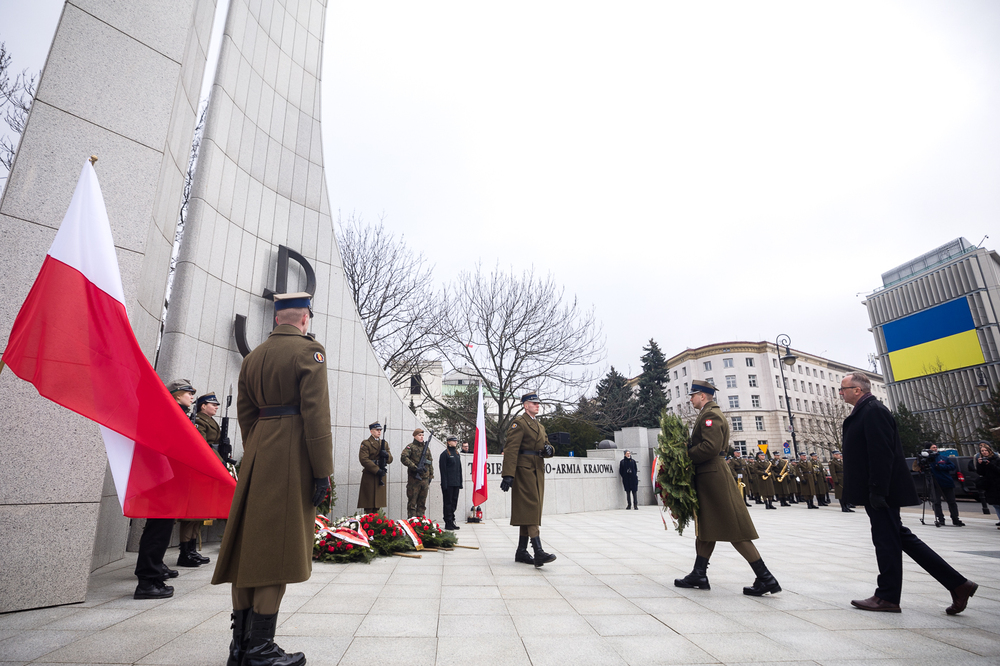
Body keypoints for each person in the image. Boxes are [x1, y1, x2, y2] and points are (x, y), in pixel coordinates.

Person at [211, 292, 333, 666]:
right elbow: (316, 415)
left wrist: (259, 450)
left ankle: (241, 647)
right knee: (275, 552)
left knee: (249, 548)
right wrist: (321, 470)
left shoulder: (254, 357)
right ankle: (261, 650)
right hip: (292, 454)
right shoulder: (309, 352)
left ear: (277, 318)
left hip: (259, 453)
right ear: (304, 319)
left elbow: (247, 415)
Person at [839, 372, 977, 615]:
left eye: (843, 389)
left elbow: (882, 454)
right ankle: (958, 584)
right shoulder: (866, 410)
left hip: (883, 491)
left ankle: (888, 597)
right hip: (879, 489)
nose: (841, 393)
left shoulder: (873, 411)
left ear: (857, 390)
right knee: (899, 538)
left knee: (886, 541)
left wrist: (878, 490)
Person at [674, 380, 780, 596]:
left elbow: (710, 448)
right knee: (707, 527)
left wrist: (685, 455)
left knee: (734, 528)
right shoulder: (708, 414)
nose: (690, 398)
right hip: (709, 476)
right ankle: (699, 573)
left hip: (712, 476)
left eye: (693, 395)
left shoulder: (710, 416)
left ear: (703, 396)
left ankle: (766, 578)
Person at [133, 378, 193, 599]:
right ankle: (147, 581)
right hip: (162, 479)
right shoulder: (169, 413)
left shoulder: (171, 412)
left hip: (163, 478)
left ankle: (154, 570)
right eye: (188, 392)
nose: (192, 396)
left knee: (159, 528)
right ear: (176, 394)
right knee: (158, 529)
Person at [501, 392, 557, 567]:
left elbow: (547, 445)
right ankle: (538, 551)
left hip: (537, 469)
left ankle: (521, 551)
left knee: (530, 508)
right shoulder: (520, 423)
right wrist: (508, 474)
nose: (537, 405)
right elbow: (511, 449)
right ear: (525, 405)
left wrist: (550, 451)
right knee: (532, 507)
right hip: (523, 470)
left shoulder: (539, 425)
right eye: (533, 403)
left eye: (538, 403)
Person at [175, 392, 221, 568]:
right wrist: (220, 460)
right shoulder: (199, 421)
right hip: (198, 470)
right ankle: (185, 553)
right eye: (212, 404)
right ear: (203, 406)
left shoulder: (210, 421)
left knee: (199, 513)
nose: (216, 407)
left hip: (206, 471)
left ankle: (192, 550)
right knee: (191, 514)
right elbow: (202, 444)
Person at [921, 444, 965, 527]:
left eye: (936, 447)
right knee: (936, 502)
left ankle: (955, 519)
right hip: (934, 483)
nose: (935, 449)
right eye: (933, 448)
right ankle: (940, 519)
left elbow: (952, 466)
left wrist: (941, 466)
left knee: (951, 502)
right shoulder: (926, 459)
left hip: (946, 482)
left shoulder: (943, 458)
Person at [358, 422, 393, 514]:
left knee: (378, 503)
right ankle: (368, 523)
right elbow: (364, 459)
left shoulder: (384, 444)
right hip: (370, 475)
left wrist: (386, 455)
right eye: (377, 430)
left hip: (380, 476)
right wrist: (377, 470)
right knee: (369, 504)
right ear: (371, 431)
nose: (379, 432)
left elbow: (390, 459)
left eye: (380, 430)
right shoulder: (366, 443)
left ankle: (376, 522)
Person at [401, 428, 434, 518]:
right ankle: (412, 522)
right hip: (414, 480)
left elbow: (430, 461)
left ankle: (420, 522)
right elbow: (404, 458)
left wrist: (431, 475)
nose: (421, 437)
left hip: (425, 479)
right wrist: (415, 468)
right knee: (412, 502)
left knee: (422, 503)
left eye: (422, 435)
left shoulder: (426, 448)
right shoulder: (410, 447)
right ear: (415, 436)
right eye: (419, 435)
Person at [439, 435, 463, 529]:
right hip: (448, 484)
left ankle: (452, 520)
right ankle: (447, 522)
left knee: (454, 503)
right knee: (448, 503)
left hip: (456, 483)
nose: (455, 442)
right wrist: (444, 484)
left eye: (456, 441)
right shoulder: (445, 454)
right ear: (448, 442)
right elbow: (443, 471)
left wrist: (460, 482)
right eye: (453, 441)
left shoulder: (457, 454)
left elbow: (459, 470)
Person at [974, 442, 1000, 527]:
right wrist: (980, 464)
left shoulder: (996, 459)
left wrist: (990, 464)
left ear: (989, 451)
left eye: (986, 450)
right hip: (989, 484)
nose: (984, 452)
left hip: (998, 482)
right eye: (982, 451)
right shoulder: (981, 460)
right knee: (995, 503)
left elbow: (998, 470)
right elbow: (980, 472)